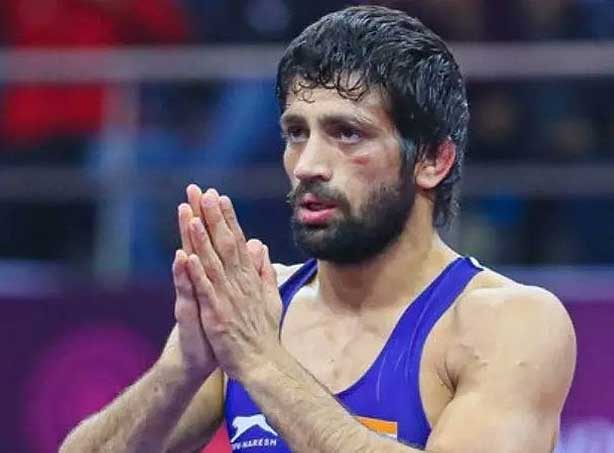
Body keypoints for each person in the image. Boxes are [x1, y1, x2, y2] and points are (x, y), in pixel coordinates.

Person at [60, 6, 576, 453]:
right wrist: (183, 371)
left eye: (346, 133)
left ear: (433, 160)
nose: (308, 164)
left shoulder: (507, 323)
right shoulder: (255, 308)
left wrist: (262, 364)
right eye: (295, 133)